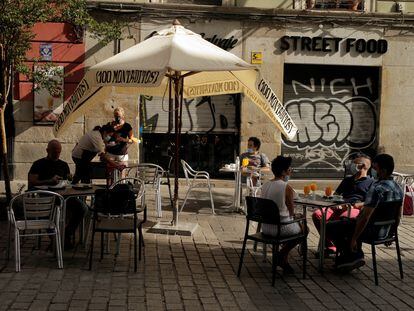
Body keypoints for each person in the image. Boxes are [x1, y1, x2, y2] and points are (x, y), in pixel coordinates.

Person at [326, 154, 403, 272]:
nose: (373, 172)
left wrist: (354, 239)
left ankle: (355, 255)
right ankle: (349, 257)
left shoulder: (377, 188)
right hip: (385, 232)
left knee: (331, 226)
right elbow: (398, 215)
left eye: (375, 169)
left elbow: (364, 218)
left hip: (371, 231)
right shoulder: (398, 188)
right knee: (346, 223)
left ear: (383, 171)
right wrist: (391, 233)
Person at [312, 154, 375, 255]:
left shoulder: (371, 182)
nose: (352, 166)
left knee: (344, 219)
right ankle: (331, 245)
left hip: (354, 208)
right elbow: (336, 195)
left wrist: (354, 205)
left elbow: (369, 202)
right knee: (318, 214)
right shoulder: (347, 180)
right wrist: (336, 202)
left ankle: (344, 248)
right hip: (339, 206)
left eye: (355, 164)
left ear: (363, 166)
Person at [28, 140, 83, 249]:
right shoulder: (38, 164)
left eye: (59, 152)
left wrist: (71, 179)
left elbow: (69, 180)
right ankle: (55, 238)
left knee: (82, 208)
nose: (57, 154)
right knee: (48, 211)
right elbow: (32, 181)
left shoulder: (63, 164)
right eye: (54, 152)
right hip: (45, 196)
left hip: (63, 196)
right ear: (47, 151)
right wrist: (49, 181)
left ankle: (65, 234)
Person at [261, 156, 307, 274]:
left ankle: (283, 259)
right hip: (280, 228)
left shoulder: (265, 185)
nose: (290, 171)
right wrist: (298, 216)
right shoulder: (286, 187)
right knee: (304, 229)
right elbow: (291, 213)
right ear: (283, 171)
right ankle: (281, 255)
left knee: (295, 225)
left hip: (266, 228)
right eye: (289, 169)